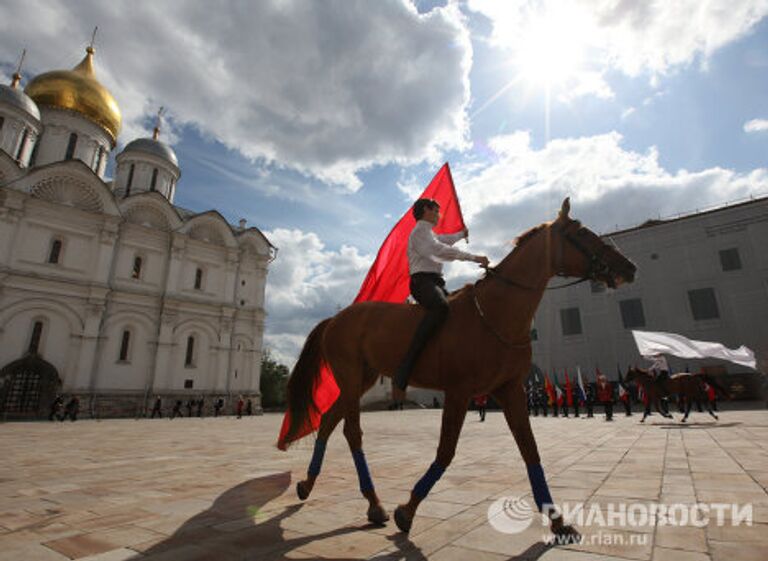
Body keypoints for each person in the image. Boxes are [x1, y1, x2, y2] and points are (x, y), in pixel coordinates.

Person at [392, 199, 489, 401]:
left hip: (436, 282)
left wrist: (462, 235)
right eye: (437, 210)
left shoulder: (428, 233)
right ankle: (405, 367)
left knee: (457, 312)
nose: (439, 214)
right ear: (426, 210)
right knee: (440, 308)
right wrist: (473, 258)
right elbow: (439, 250)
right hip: (422, 283)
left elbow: (444, 240)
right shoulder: (419, 232)